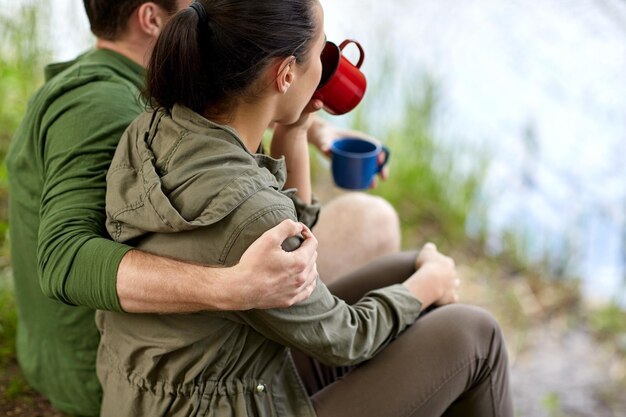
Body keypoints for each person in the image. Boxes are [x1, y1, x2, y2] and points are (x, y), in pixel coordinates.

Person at [97, 0, 514, 416]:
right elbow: (346, 338)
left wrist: (293, 134)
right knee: (475, 335)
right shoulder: (250, 211)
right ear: (285, 74)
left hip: (170, 389)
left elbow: (289, 233)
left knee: (405, 270)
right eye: (321, 52)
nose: (325, 67)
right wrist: (428, 287)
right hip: (215, 405)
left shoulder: (155, 128)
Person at [6, 1, 400, 415]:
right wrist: (233, 287)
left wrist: (305, 126)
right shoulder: (101, 109)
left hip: (145, 355)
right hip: (120, 372)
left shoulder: (130, 86)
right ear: (151, 18)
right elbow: (62, 259)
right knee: (371, 223)